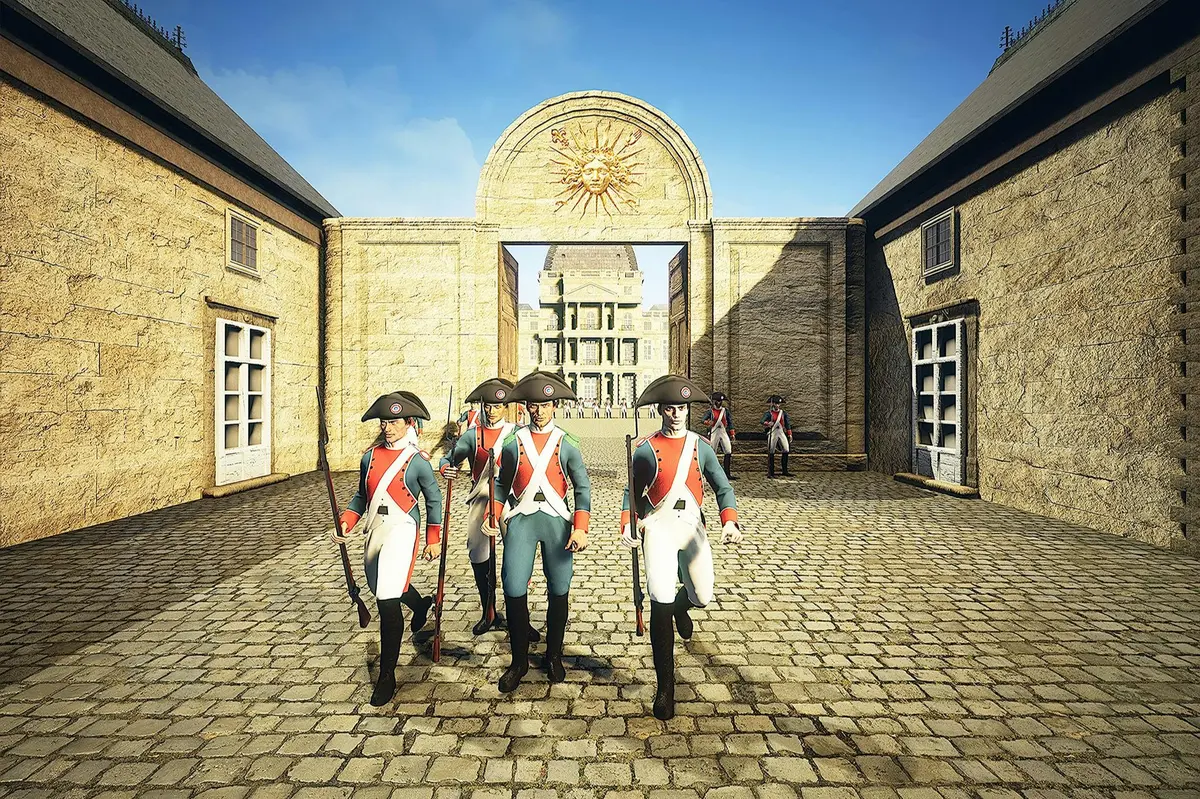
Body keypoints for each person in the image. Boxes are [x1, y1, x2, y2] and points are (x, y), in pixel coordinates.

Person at [621, 375, 743, 720]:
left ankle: (681, 608)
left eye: (682, 408)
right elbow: (630, 493)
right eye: (671, 408)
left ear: (688, 411)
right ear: (662, 410)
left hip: (692, 528)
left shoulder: (700, 446)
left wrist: (730, 521)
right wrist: (630, 523)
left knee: (702, 595)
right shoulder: (646, 448)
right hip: (658, 529)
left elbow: (722, 487)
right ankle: (665, 688)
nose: (676, 414)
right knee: (659, 595)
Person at [329, 392, 442, 706]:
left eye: (394, 421)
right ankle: (420, 606)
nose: (387, 427)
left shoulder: (417, 461)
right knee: (382, 586)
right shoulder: (370, 457)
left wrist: (433, 539)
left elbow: (434, 501)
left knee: (386, 600)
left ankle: (387, 675)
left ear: (408, 423)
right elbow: (361, 497)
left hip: (403, 530)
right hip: (375, 531)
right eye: (384, 421)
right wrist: (346, 522)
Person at [483, 370, 591, 692]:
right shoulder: (513, 443)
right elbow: (501, 484)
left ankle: (553, 655)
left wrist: (580, 527)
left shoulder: (567, 443)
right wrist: (495, 512)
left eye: (545, 406)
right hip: (523, 519)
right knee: (513, 584)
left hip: (557, 520)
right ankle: (518, 661)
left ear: (554, 406)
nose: (539, 411)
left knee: (560, 586)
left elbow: (582, 488)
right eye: (533, 405)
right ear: (527, 407)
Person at [439, 378, 539, 641]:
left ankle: (521, 617)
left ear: (505, 407)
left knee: (517, 557)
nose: (492, 411)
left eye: (497, 406)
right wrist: (445, 467)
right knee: (479, 555)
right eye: (488, 406)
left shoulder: (517, 433)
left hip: (511, 501)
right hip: (481, 497)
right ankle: (488, 611)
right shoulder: (473, 435)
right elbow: (449, 459)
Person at [702, 391, 737, 481]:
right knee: (712, 452)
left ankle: (727, 473)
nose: (719, 403)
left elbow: (730, 422)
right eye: (717, 401)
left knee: (728, 451)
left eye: (720, 401)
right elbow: (703, 420)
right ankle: (711, 473)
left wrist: (732, 433)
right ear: (714, 402)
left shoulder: (725, 411)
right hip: (714, 431)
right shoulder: (710, 411)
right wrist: (707, 422)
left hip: (723, 431)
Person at [761, 394, 793, 478]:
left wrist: (789, 434)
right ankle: (771, 472)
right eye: (776, 403)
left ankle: (785, 471)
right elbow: (762, 421)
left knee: (786, 449)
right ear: (773, 404)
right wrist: (767, 423)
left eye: (779, 404)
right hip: (773, 432)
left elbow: (787, 424)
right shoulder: (769, 413)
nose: (777, 405)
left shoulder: (783, 413)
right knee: (771, 451)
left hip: (781, 432)